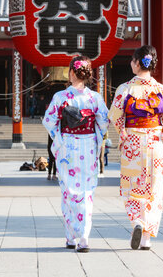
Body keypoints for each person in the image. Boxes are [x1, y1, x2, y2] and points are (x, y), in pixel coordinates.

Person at [108, 45, 163, 251]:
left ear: (138, 63)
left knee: (133, 188)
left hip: (133, 143)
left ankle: (137, 221)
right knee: (154, 190)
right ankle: (146, 238)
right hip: (155, 143)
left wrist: (124, 133)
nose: (131, 63)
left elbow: (115, 116)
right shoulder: (161, 90)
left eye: (132, 60)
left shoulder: (125, 89)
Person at [42, 55, 109, 253]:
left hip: (68, 147)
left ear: (72, 72)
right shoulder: (94, 98)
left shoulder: (60, 97)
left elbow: (49, 121)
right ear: (88, 74)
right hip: (88, 145)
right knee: (87, 191)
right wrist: (96, 137)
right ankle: (84, 237)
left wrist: (60, 139)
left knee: (68, 191)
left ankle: (71, 236)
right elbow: (104, 121)